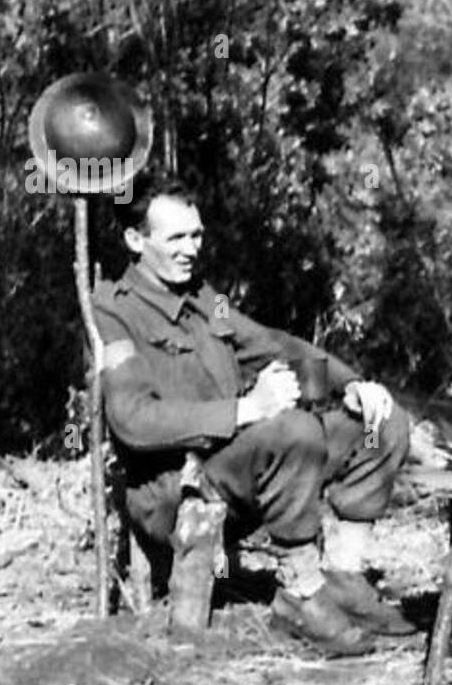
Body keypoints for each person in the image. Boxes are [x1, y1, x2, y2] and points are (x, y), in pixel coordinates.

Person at [91, 175, 415, 656]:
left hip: (240, 464)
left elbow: (271, 345)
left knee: (380, 424)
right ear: (136, 241)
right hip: (175, 484)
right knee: (293, 431)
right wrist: (249, 409)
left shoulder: (203, 298)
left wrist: (352, 384)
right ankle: (300, 594)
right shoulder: (114, 312)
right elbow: (133, 420)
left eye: (196, 235)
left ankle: (344, 575)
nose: (190, 249)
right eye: (175, 238)